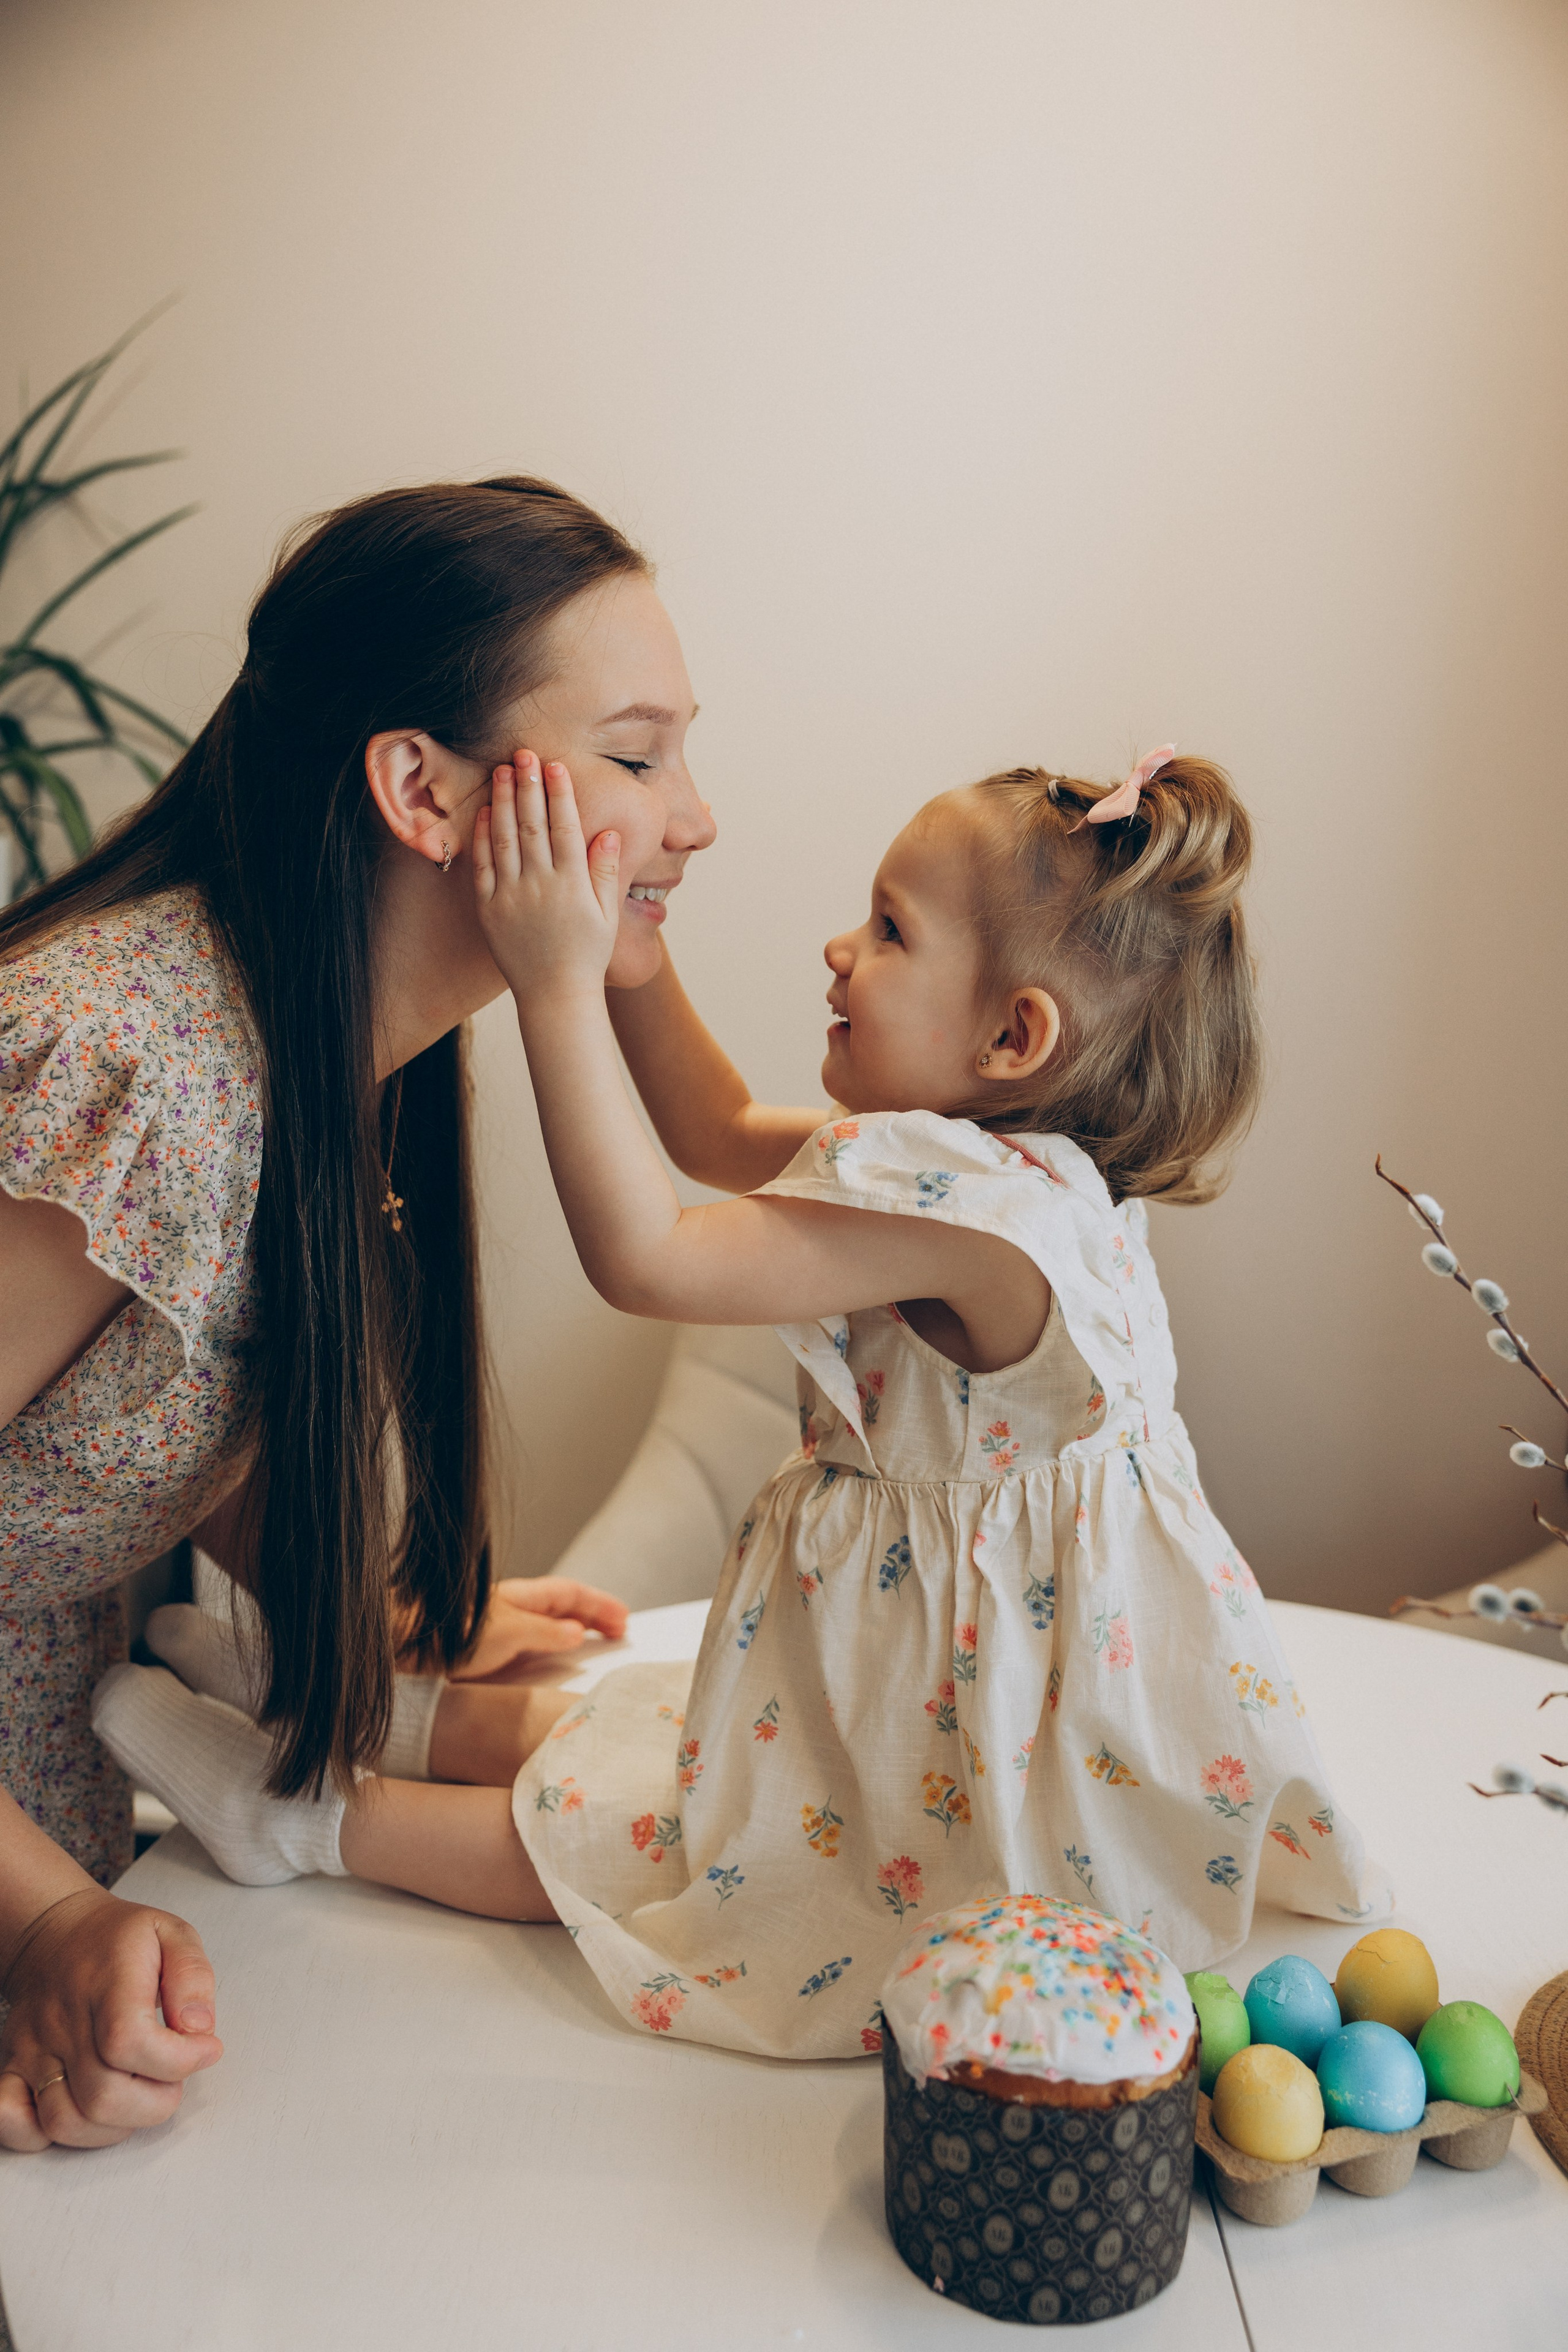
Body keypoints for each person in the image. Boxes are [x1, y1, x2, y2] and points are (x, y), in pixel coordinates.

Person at [95, 740, 1392, 2059]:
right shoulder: (993, 1165)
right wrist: (629, 964)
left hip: (964, 1730)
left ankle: (303, 1814)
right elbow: (710, 1127)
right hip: (931, 1670)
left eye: (889, 931)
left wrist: (552, 986)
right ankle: (329, 1687)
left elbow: (647, 1254)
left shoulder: (978, 1220)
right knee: (646, 1747)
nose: (840, 949)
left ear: (1013, 1035)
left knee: (679, 1855)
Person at [0, 476, 716, 2150]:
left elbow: (142, 1410)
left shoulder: (340, 1036)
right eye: (638, 753)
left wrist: (397, 1615)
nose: (694, 820)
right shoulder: (126, 1072)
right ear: (422, 790)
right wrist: (42, 1921)